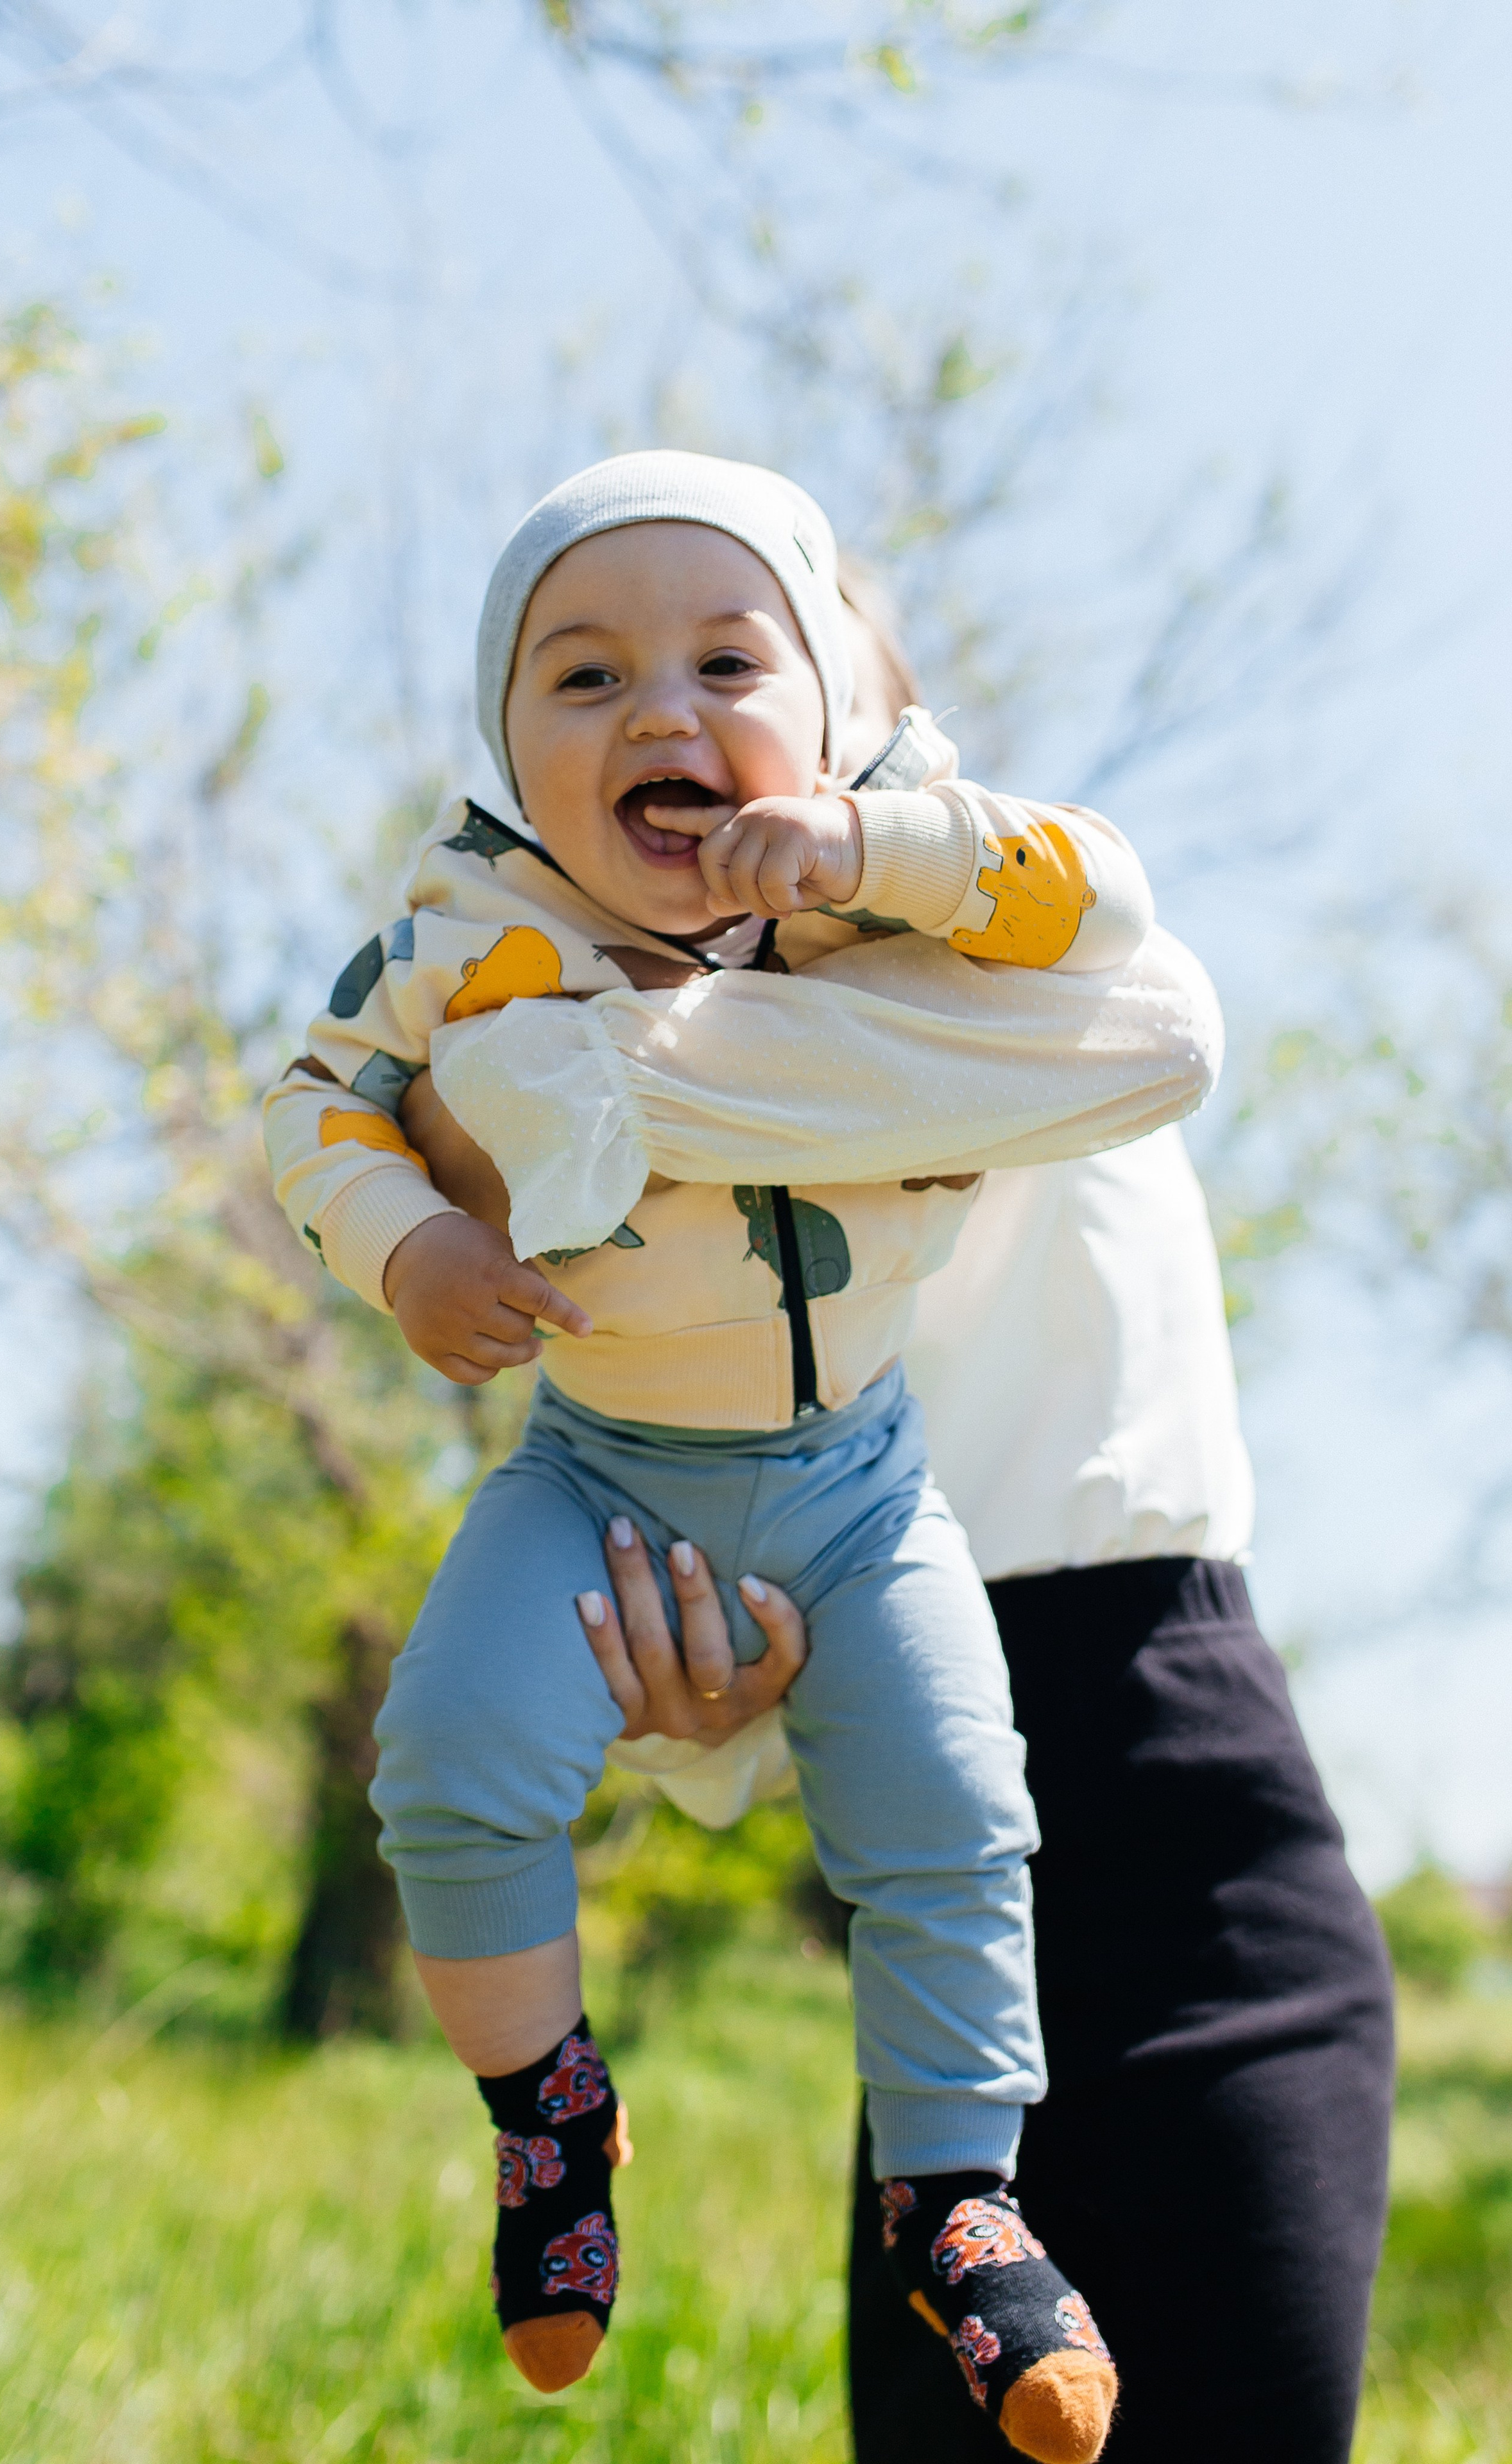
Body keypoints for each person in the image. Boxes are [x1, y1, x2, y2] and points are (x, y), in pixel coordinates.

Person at [263, 447, 1221, 2459]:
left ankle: (956, 2194)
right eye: (585, 681)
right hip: (593, 1470)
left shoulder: (908, 934)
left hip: (868, 1488)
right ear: (511, 748)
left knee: (959, 1820)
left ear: (853, 720)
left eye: (730, 662)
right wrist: (413, 1236)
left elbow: (1120, 930)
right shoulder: (469, 942)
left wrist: (890, 855)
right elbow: (316, 1108)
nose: (665, 715)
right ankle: (546, 2124)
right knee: (443, 1764)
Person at [581, 579, 1396, 2464]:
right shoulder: (659, 1135)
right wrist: (709, 1710)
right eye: (625, 685)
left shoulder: (1044, 969)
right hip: (941, 1955)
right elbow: (696, 1582)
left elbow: (1153, 1006)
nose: (702, 729)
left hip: (1192, 1848)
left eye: (754, 664)